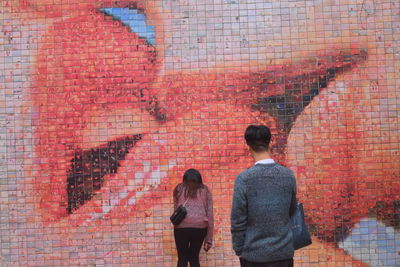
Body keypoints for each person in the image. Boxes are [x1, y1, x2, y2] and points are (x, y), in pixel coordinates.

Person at [231, 125, 297, 267]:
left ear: (248, 147)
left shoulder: (244, 179)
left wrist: (239, 249)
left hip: (253, 256)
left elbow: (238, 220)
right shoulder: (288, 176)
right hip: (283, 254)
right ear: (270, 143)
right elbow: (292, 211)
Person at [173, 168, 214, 267]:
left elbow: (176, 211)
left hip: (181, 227)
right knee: (194, 258)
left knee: (182, 259)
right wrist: (208, 239)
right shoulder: (205, 190)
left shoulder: (178, 189)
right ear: (199, 178)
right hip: (200, 227)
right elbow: (210, 215)